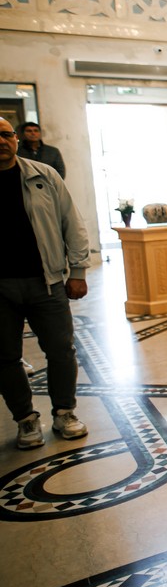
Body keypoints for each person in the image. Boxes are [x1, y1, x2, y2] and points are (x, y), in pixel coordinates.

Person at [0, 117, 90, 449]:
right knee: (5, 358)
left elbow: (71, 222)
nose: (1, 141)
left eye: (5, 134)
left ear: (15, 139)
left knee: (61, 351)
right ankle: (25, 419)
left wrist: (77, 271)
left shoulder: (44, 175)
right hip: (1, 289)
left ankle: (64, 412)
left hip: (46, 282)